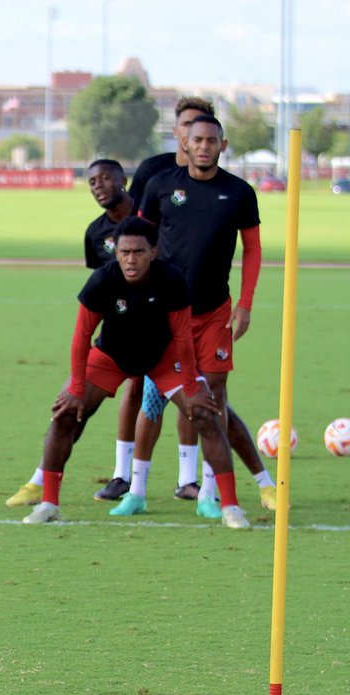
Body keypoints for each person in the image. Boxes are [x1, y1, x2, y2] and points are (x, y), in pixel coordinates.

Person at [22, 217, 249, 529]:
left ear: (154, 252)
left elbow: (182, 338)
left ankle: (231, 508)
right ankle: (49, 504)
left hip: (163, 357)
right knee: (64, 414)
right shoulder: (102, 281)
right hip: (111, 356)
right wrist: (76, 386)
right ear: (116, 252)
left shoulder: (171, 280)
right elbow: (80, 338)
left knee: (206, 414)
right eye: (125, 251)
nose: (131, 259)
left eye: (139, 252)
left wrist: (191, 385)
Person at [110, 114, 274, 519]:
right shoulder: (163, 186)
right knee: (154, 400)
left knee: (212, 399)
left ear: (223, 144)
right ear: (186, 143)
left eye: (211, 140)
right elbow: (138, 240)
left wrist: (245, 304)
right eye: (197, 139)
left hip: (215, 312)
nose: (203, 146)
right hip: (164, 313)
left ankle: (208, 494)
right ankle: (138, 490)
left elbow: (252, 251)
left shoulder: (239, 193)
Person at [6, 159, 138, 507]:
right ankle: (41, 484)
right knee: (71, 407)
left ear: (123, 180)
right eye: (92, 181)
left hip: (160, 335)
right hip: (117, 338)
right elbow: (101, 288)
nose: (98, 186)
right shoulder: (95, 234)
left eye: (106, 178)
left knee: (203, 407)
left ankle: (204, 487)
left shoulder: (148, 217)